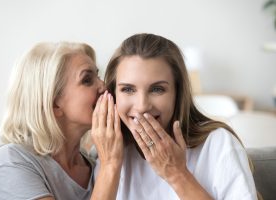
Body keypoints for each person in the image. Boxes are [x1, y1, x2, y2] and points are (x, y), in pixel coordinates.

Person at [95, 33, 258, 199]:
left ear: (177, 93)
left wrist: (177, 174)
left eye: (157, 89)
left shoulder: (218, 144)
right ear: (113, 94)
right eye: (128, 89)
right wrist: (109, 165)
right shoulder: (108, 150)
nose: (142, 106)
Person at [0, 42, 123, 200]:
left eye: (98, 76)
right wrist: (110, 165)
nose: (104, 86)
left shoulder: (96, 166)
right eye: (87, 80)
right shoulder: (11, 163)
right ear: (54, 104)